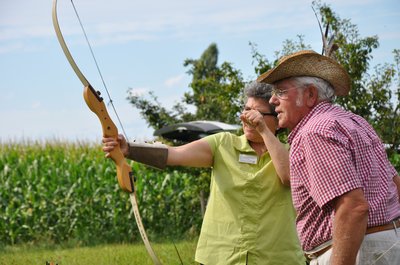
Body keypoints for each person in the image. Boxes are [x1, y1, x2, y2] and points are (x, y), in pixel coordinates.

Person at [102, 81, 305, 265]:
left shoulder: (290, 150)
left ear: (276, 120)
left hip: (277, 258)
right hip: (222, 257)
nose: (247, 118)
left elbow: (288, 177)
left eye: (257, 113)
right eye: (246, 110)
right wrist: (129, 149)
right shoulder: (223, 144)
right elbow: (174, 154)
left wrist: (263, 131)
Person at [257, 50, 400, 265]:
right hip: (387, 243)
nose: (272, 100)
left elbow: (352, 208)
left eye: (281, 91)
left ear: (310, 95)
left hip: (356, 250)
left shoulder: (315, 131)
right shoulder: (355, 122)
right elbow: (395, 183)